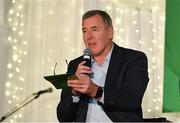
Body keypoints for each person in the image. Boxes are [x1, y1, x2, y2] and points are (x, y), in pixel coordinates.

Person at [57, 10, 149, 122]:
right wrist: (74, 94)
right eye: (84, 31)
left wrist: (94, 90)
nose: (89, 37)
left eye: (94, 30)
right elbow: (63, 118)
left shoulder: (133, 59)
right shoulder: (75, 65)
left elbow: (131, 99)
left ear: (110, 32)